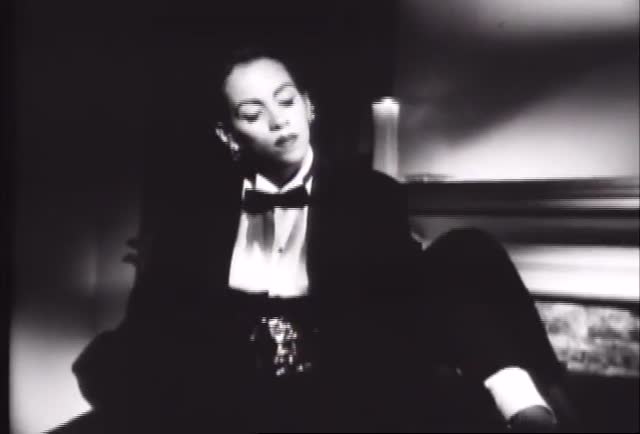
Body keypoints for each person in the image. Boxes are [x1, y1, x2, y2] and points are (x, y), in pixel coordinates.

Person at [52, 46, 574, 433]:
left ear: (309, 106)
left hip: (338, 396)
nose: (278, 120)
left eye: (286, 101)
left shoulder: (370, 196)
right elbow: (155, 325)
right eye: (252, 113)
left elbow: (402, 313)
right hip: (225, 399)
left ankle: (530, 405)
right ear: (228, 135)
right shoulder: (192, 216)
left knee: (463, 253)